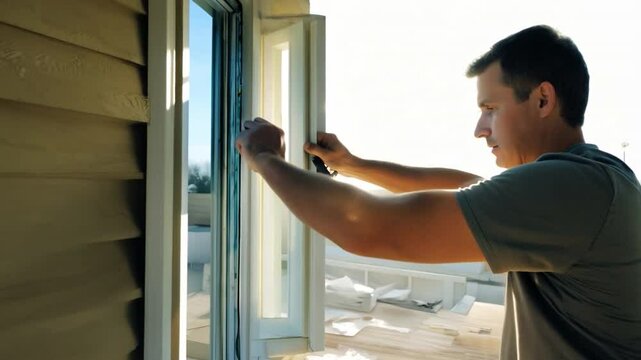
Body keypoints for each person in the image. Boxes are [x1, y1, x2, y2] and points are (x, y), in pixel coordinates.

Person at [236, 25, 641, 359]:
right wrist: (353, 165)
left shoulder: (572, 190)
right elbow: (466, 185)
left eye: (491, 108)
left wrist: (265, 158)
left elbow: (367, 227)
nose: (480, 129)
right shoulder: (594, 178)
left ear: (542, 99)